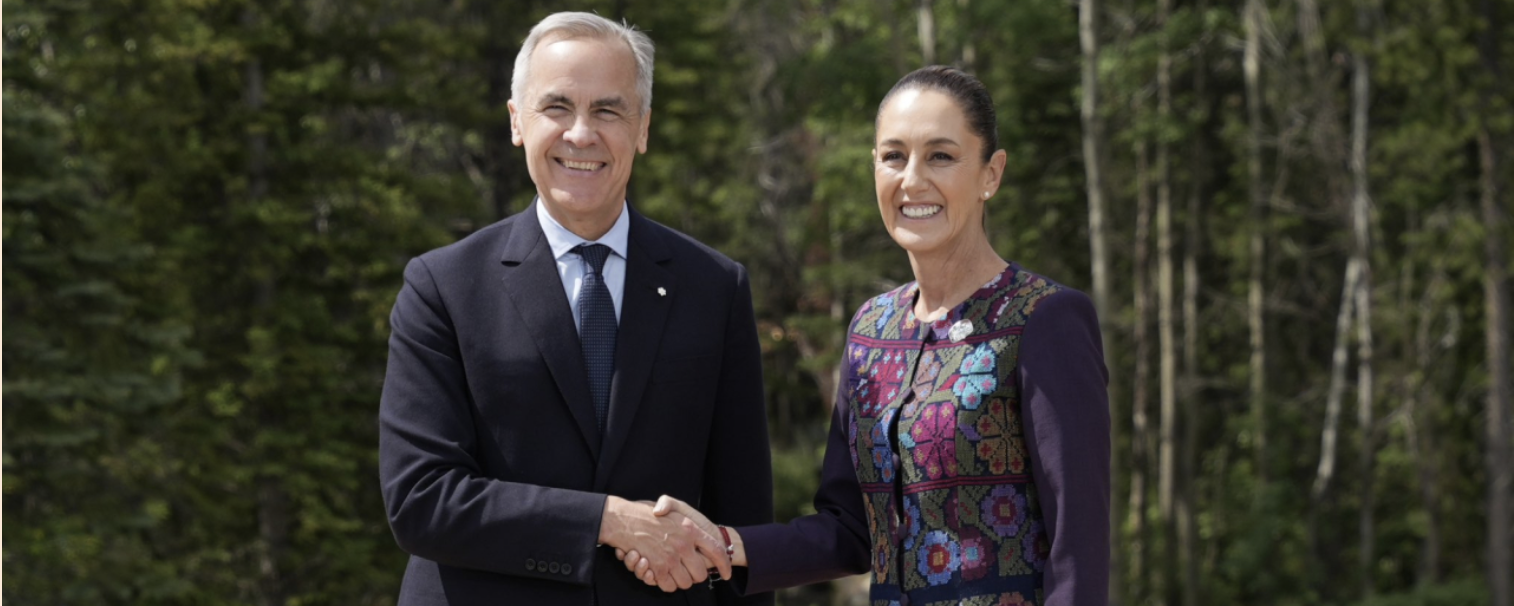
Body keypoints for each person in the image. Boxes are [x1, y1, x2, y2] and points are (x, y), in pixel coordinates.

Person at [624, 66, 1111, 606]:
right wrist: (722, 543)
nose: (913, 179)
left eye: (941, 156)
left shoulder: (1044, 319)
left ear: (990, 174)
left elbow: (1079, 547)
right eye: (894, 156)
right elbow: (851, 531)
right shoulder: (872, 330)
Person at [378, 12, 773, 606]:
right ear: (518, 122)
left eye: (608, 110)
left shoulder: (714, 288)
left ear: (642, 128)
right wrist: (608, 520)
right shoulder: (443, 288)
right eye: (557, 107)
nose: (581, 134)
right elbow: (421, 500)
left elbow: (743, 524)